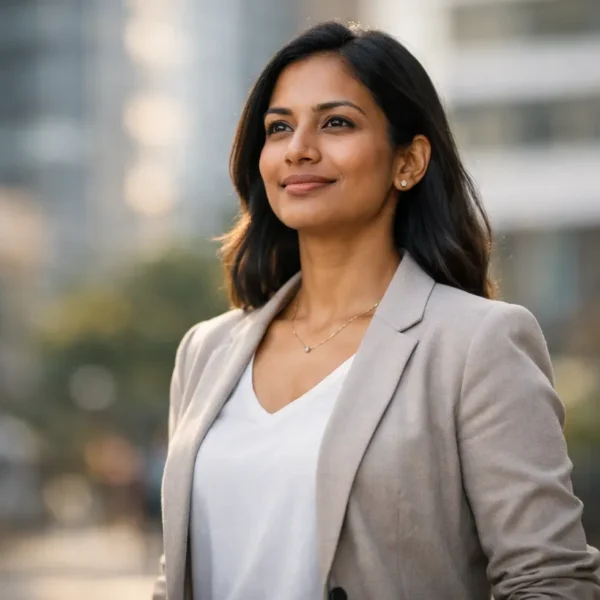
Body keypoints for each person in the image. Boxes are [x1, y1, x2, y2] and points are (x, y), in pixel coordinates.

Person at [153, 21, 600, 600]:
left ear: (409, 161)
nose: (299, 148)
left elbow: (550, 579)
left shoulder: (476, 344)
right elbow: (176, 575)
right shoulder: (206, 351)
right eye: (279, 127)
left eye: (336, 122)